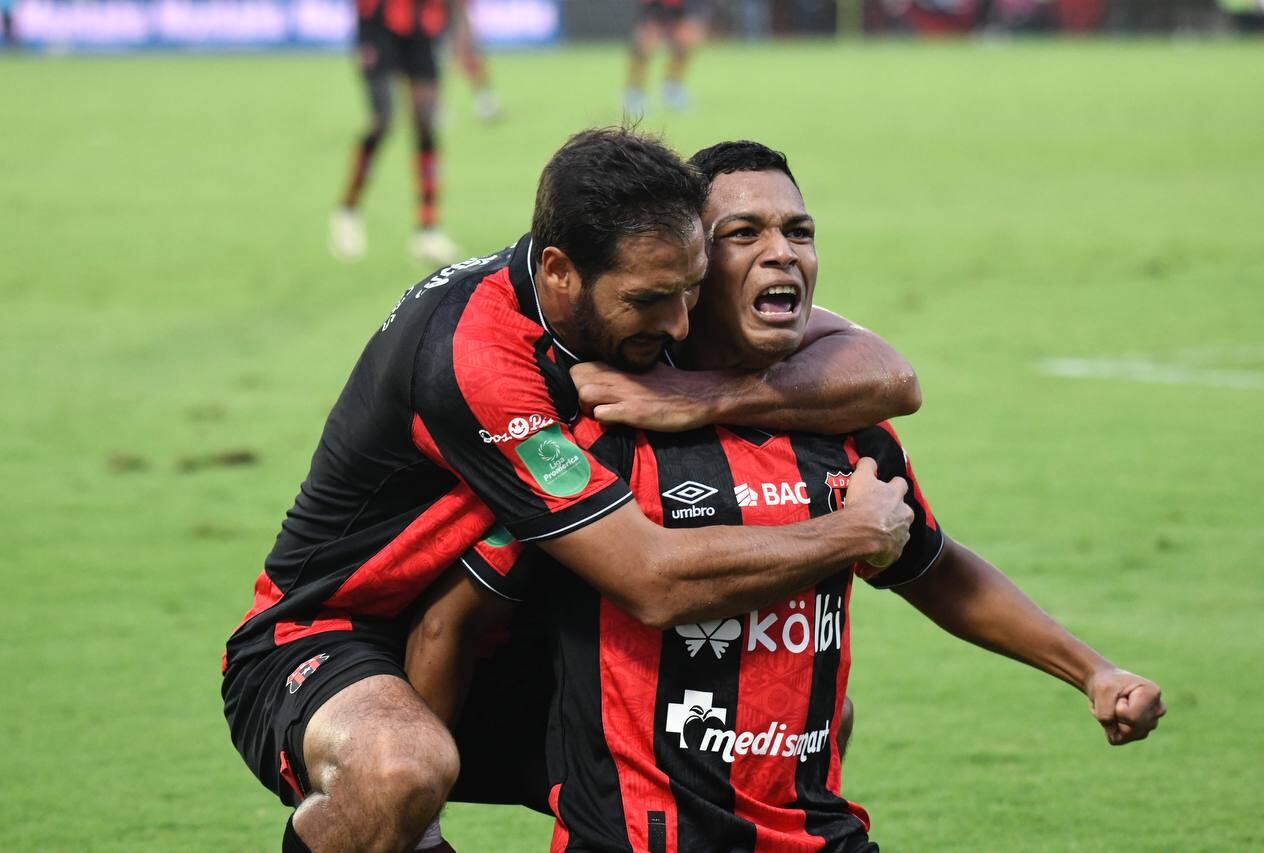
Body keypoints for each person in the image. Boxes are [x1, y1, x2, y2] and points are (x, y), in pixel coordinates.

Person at [408, 140, 1167, 851]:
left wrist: (1092, 671)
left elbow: (933, 566)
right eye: (744, 233)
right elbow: (453, 621)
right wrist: (418, 821)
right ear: (691, 265)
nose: (783, 252)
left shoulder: (842, 429)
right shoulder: (602, 429)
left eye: (798, 231)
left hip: (819, 832)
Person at [224, 127, 924, 853]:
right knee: (400, 770)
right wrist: (849, 533)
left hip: (498, 626)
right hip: (334, 634)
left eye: (692, 290)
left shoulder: (624, 273)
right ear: (559, 271)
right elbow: (650, 578)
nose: (682, 324)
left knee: (796, 718)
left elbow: (891, 376)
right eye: (655, 300)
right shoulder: (476, 356)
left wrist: (707, 393)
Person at [328, 0, 471, 265]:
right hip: (378, 25)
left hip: (421, 25)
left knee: (426, 125)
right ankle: (348, 210)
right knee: (384, 120)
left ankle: (428, 231)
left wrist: (450, 33)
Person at [623, 0, 709, 120]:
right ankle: (634, 94)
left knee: (685, 41)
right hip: (653, 4)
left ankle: (672, 90)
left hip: (679, 4)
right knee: (645, 44)